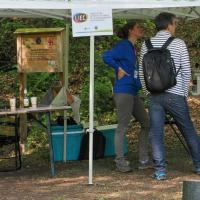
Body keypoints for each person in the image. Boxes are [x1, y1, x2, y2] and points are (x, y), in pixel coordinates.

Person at [139, 12, 200, 180]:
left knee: (156, 133)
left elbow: (143, 73)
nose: (176, 27)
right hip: (175, 94)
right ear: (169, 25)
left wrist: (147, 92)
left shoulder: (146, 44)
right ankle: (199, 165)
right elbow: (186, 71)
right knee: (187, 129)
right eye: (175, 24)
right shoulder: (179, 43)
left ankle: (160, 171)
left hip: (154, 96)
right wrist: (183, 93)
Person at [102, 21, 151, 172]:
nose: (141, 29)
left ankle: (143, 160)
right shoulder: (123, 45)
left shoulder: (132, 47)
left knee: (146, 123)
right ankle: (120, 162)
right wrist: (118, 68)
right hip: (123, 92)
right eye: (138, 27)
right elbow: (106, 56)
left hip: (133, 92)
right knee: (122, 126)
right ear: (131, 30)